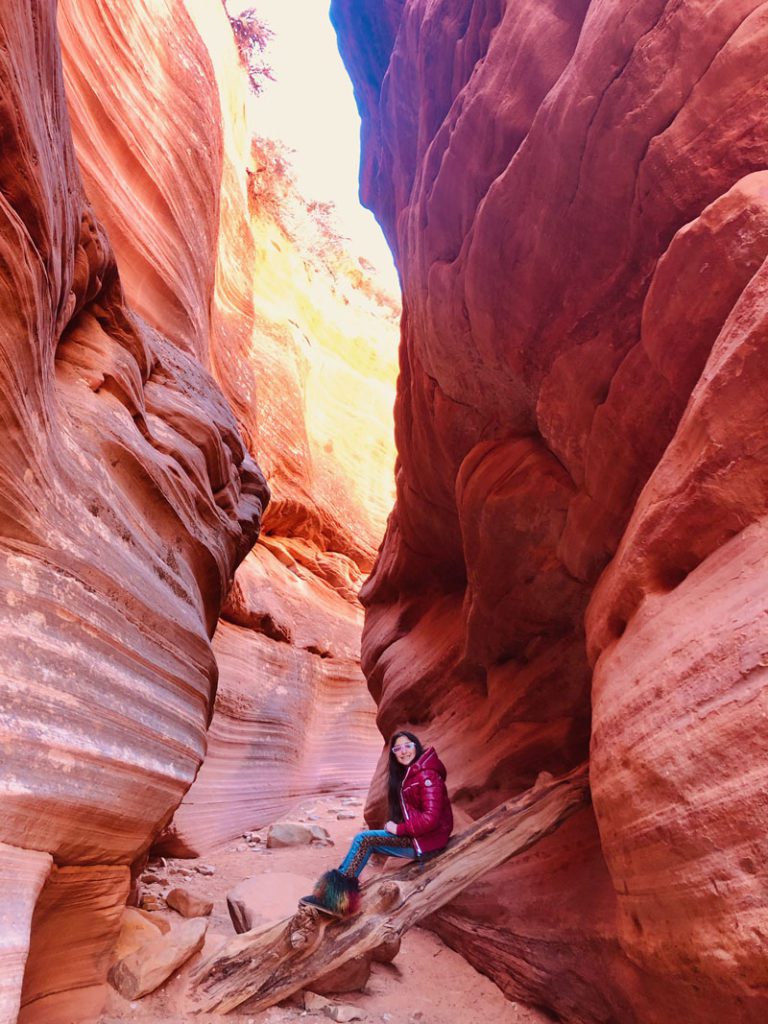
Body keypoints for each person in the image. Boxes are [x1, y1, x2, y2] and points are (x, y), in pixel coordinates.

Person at [300, 731, 453, 917]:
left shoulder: (426, 776)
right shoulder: (411, 774)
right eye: (398, 748)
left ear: (416, 747)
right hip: (421, 837)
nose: (403, 751)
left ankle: (335, 900)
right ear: (394, 754)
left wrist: (399, 829)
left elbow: (430, 818)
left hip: (427, 841)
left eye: (408, 746)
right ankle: (334, 898)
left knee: (365, 840)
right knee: (365, 841)